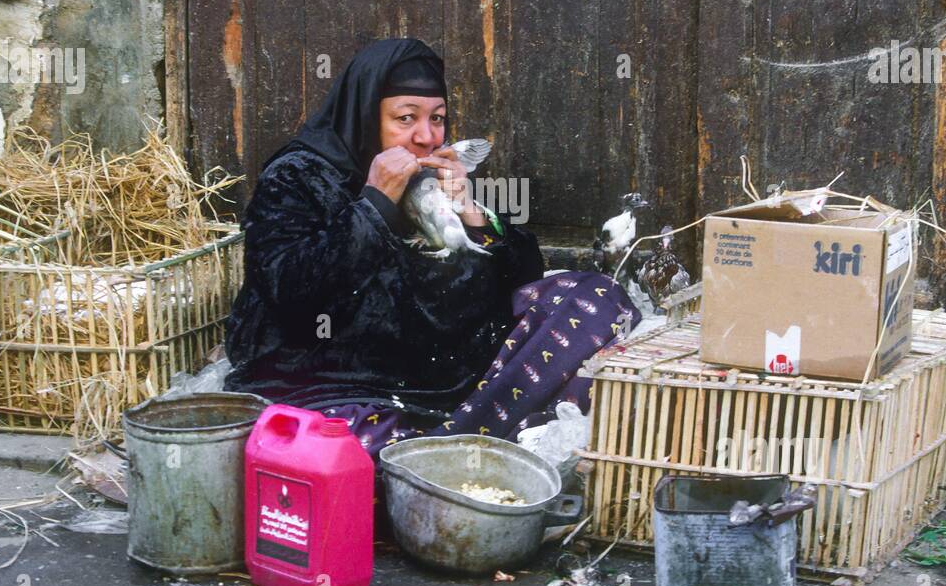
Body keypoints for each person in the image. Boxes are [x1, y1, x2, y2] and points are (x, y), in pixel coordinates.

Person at [224, 37, 639, 456]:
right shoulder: (296, 177)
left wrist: (470, 210)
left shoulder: (432, 181)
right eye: (406, 118)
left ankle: (456, 441)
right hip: (342, 378)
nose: (426, 136)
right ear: (366, 117)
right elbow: (291, 291)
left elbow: (520, 277)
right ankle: (463, 445)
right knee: (338, 446)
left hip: (446, 361)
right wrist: (375, 202)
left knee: (597, 299)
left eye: (437, 118)